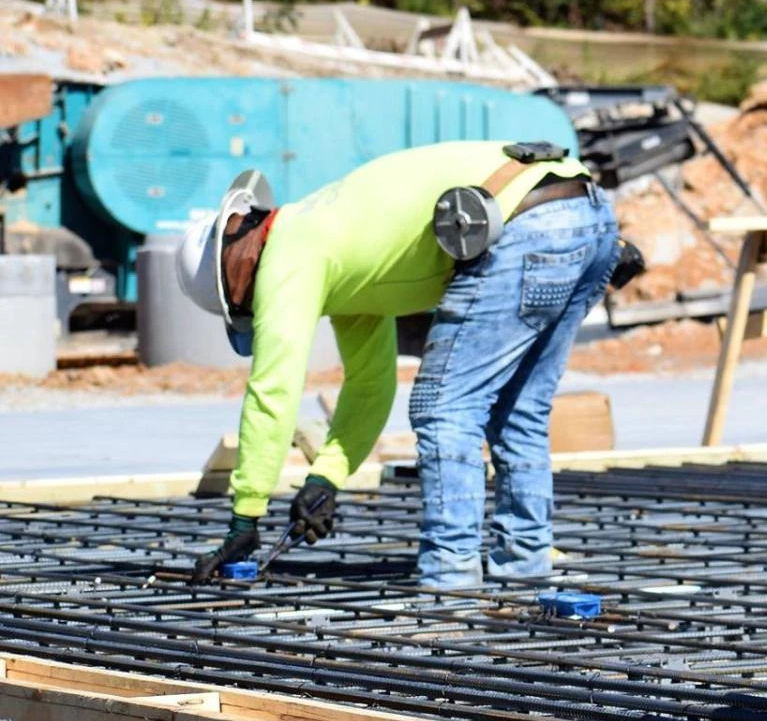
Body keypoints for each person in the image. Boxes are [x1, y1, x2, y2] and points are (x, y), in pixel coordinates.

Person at [178, 140, 625, 589]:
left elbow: (273, 391)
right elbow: (370, 388)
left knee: (444, 408)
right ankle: (525, 566)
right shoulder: (342, 257)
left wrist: (245, 517)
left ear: (234, 262)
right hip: (588, 214)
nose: (256, 307)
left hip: (521, 223)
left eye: (242, 303)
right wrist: (326, 478)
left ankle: (450, 581)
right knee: (517, 409)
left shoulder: (287, 251)